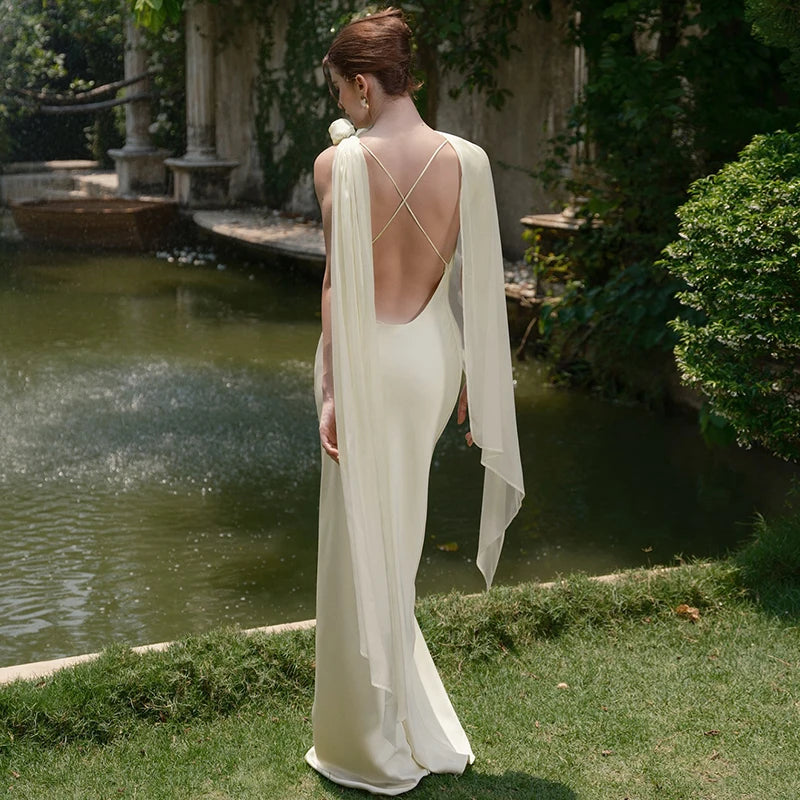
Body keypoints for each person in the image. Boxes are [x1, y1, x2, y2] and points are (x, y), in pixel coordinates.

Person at [305, 8, 524, 795]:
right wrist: (468, 374)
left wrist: (331, 391)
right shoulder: (467, 160)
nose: (346, 100)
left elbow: (337, 286)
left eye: (342, 86)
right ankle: (407, 719)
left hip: (369, 363)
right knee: (399, 536)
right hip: (432, 360)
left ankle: (366, 741)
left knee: (361, 545)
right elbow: (472, 282)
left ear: (362, 84)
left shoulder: (340, 164)